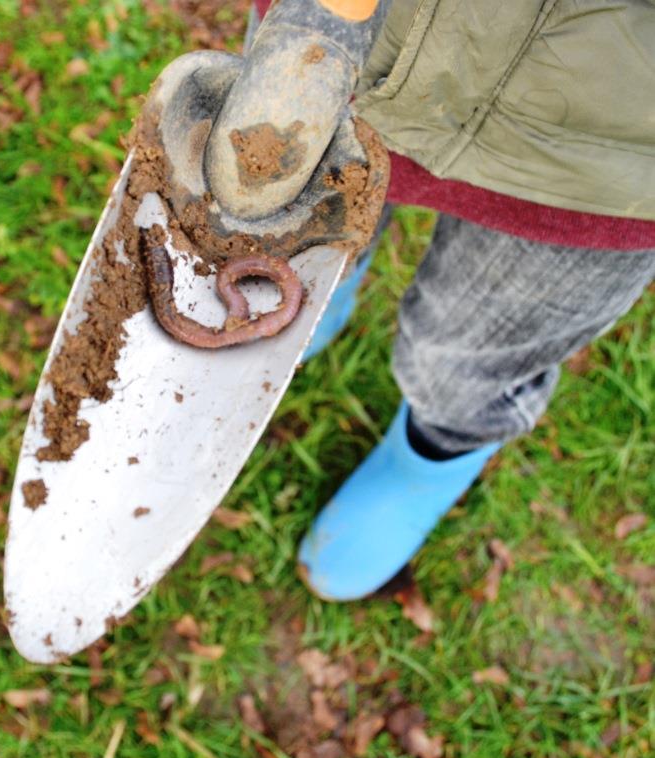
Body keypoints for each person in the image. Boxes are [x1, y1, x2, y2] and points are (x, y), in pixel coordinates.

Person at [238, 0, 655, 600]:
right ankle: (311, 306)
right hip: (358, 34)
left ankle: (429, 459)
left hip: (609, 147)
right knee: (301, 233)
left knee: (464, 360)